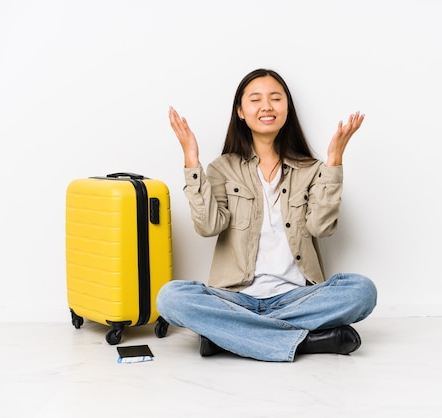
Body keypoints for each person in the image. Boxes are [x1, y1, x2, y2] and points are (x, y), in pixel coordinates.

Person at [156, 68, 377, 362]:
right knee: (170, 298)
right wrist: (191, 161)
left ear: (287, 108)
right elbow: (208, 226)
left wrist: (334, 163)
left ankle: (229, 339)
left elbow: (321, 227)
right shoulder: (222, 168)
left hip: (298, 298)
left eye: (275, 98)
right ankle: (307, 342)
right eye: (256, 99)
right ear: (241, 112)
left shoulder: (311, 169)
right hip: (236, 298)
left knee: (363, 291)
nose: (267, 107)